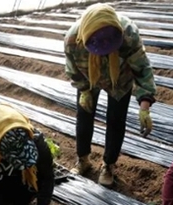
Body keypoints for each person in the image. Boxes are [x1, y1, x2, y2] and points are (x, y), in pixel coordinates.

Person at [64, 3, 157, 186]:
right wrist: (84, 90)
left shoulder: (128, 34)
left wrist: (145, 104)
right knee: (84, 114)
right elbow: (73, 68)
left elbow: (142, 68)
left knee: (116, 119)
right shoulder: (73, 39)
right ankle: (83, 159)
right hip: (88, 76)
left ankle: (108, 164)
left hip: (120, 78)